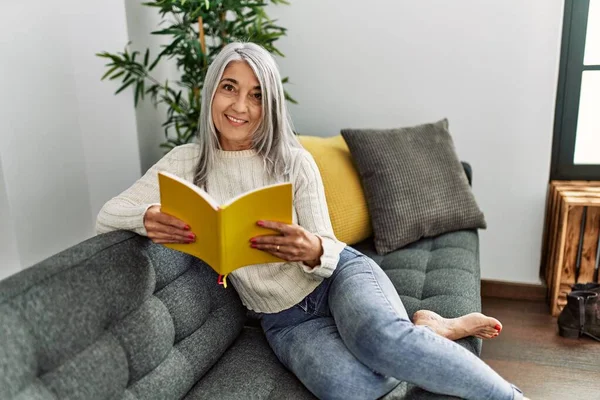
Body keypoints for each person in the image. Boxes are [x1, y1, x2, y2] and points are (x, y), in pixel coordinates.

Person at [97, 42, 527, 400]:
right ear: (211, 93)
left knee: (381, 342)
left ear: (271, 103)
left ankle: (506, 394)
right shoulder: (185, 163)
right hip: (283, 320)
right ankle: (426, 331)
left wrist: (313, 249)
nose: (240, 106)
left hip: (338, 277)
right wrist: (148, 215)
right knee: (351, 388)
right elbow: (107, 215)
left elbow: (328, 244)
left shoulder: (293, 161)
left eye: (257, 94)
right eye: (229, 88)